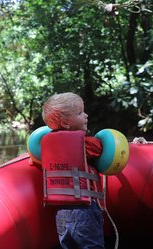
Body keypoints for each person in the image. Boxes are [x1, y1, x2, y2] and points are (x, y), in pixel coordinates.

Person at [42, 92, 105, 249]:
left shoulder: (47, 145)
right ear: (66, 123)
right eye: (80, 113)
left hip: (61, 213)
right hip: (85, 211)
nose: (86, 115)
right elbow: (100, 148)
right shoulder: (86, 144)